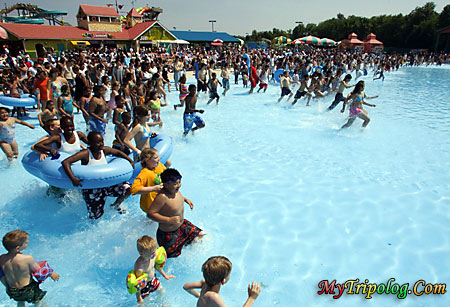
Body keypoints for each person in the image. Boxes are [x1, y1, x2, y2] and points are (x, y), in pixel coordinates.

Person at [62, 131, 134, 219]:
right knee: (95, 217)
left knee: (129, 188)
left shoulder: (104, 150)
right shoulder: (85, 154)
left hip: (107, 185)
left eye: (102, 141)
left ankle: (115, 205)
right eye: (98, 142)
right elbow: (66, 162)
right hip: (92, 189)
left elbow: (118, 153)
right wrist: (73, 179)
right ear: (90, 143)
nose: (101, 144)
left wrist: (130, 160)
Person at [148, 168, 203, 258]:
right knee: (171, 256)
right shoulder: (162, 197)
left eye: (179, 182)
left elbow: (174, 200)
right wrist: (169, 219)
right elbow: (150, 213)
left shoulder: (174, 191)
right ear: (166, 184)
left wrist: (185, 199)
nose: (178, 185)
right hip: (169, 233)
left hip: (182, 225)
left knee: (199, 236)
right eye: (175, 184)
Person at [0, 229, 60, 307]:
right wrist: (52, 273)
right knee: (39, 300)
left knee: (20, 301)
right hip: (28, 289)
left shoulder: (1, 259)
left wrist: (7, 287)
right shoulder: (27, 258)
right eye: (26, 242)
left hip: (13, 291)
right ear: (18, 248)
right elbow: (39, 271)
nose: (28, 242)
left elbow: (2, 275)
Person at [183, 256, 261, 307]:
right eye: (229, 275)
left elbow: (186, 286)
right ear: (223, 281)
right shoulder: (214, 297)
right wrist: (252, 298)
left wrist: (198, 295)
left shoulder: (204, 283)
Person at [133, 235, 175, 304]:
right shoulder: (139, 267)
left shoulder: (152, 256)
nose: (155, 254)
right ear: (141, 254)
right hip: (144, 286)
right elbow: (138, 283)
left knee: (162, 291)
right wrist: (139, 297)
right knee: (147, 302)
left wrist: (165, 275)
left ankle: (164, 304)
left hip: (153, 280)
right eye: (152, 253)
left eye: (155, 251)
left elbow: (156, 267)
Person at [131, 148, 165, 213]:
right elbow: (134, 189)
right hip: (151, 206)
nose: (159, 159)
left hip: (161, 202)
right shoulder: (144, 173)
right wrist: (153, 188)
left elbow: (168, 175)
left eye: (158, 157)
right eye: (156, 158)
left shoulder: (159, 166)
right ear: (147, 160)